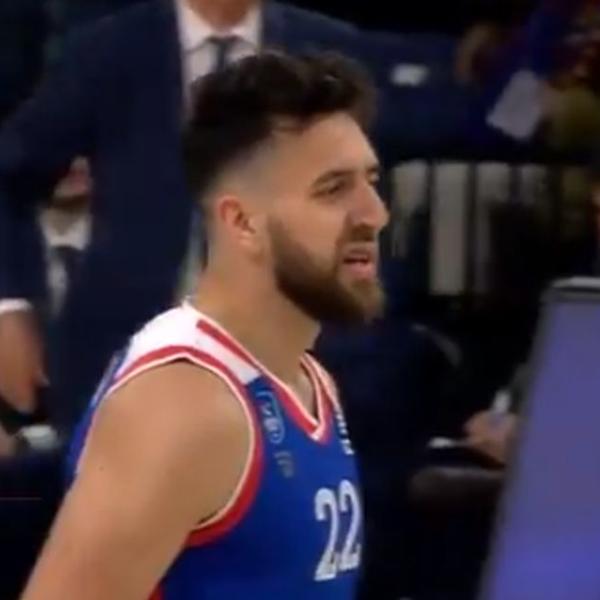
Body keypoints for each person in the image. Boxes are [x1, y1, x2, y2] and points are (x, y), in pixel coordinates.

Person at [20, 50, 389, 599]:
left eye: (371, 181)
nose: (375, 213)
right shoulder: (183, 403)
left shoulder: (309, 381)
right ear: (242, 222)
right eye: (333, 188)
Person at [0, 0, 431, 437]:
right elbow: (8, 175)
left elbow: (388, 177)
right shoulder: (109, 50)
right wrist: (10, 307)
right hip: (129, 367)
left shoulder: (331, 50)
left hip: (301, 372)